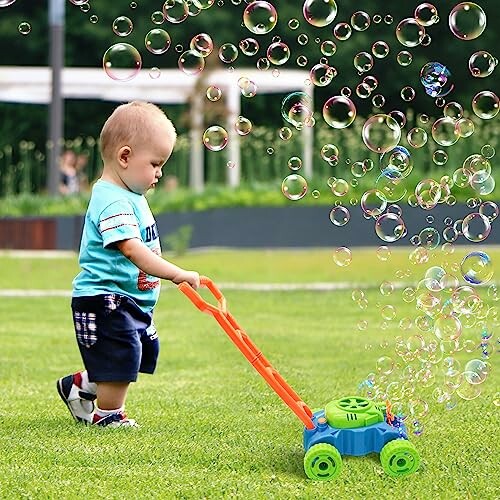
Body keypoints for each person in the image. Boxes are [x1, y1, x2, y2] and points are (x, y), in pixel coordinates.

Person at [56, 101, 200, 428]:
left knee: (141, 351)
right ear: (124, 157)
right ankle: (108, 416)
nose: (159, 173)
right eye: (155, 163)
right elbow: (133, 250)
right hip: (105, 299)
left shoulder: (131, 196)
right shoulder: (112, 200)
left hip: (128, 299)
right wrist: (176, 273)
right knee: (121, 355)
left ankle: (81, 385)